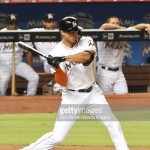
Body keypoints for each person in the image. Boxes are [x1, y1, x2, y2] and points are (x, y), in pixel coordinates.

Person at [20, 16, 129, 150]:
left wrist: (63, 59)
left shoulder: (86, 40)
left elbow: (87, 57)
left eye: (76, 30)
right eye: (70, 31)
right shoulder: (55, 52)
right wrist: (57, 66)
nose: (74, 34)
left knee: (113, 124)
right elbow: (62, 81)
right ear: (62, 32)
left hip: (93, 93)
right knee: (58, 137)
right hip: (72, 98)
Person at [96, 16, 150, 94]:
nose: (116, 24)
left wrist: (147, 25)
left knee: (124, 95)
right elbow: (105, 26)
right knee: (107, 99)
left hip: (118, 72)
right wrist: (120, 28)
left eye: (117, 23)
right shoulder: (102, 32)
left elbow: (137, 27)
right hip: (104, 72)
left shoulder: (123, 32)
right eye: (113, 23)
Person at [0, 14, 39, 96]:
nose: (13, 26)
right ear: (6, 24)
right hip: (3, 65)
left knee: (34, 77)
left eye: (15, 23)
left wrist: (29, 66)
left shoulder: (23, 34)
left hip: (18, 64)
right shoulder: (1, 34)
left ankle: (29, 98)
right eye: (11, 24)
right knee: (4, 79)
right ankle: (1, 99)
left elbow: (28, 51)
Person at [29, 13, 62, 94]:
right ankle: (56, 86)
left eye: (52, 22)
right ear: (44, 23)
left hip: (61, 62)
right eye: (48, 22)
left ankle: (56, 86)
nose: (51, 24)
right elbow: (19, 33)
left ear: (55, 23)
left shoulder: (61, 32)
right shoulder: (37, 32)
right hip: (47, 63)